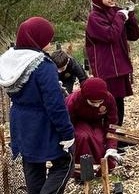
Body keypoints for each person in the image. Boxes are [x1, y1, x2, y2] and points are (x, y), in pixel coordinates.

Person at [0, 16, 75, 194]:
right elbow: (54, 103)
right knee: (65, 162)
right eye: (47, 38)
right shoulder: (42, 65)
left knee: (33, 165)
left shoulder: (10, 62)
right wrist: (67, 133)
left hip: (20, 121)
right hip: (42, 122)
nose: (49, 43)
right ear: (37, 39)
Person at [85, 0, 139, 127]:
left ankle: (118, 137)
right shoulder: (94, 18)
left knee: (119, 102)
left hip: (120, 67)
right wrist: (121, 17)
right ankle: (106, 139)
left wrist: (131, 16)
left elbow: (134, 35)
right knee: (106, 105)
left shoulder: (115, 12)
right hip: (106, 69)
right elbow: (110, 35)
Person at [65, 77, 121, 178]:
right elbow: (67, 122)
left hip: (97, 123)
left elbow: (112, 123)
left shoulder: (109, 99)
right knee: (83, 137)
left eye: (99, 102)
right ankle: (82, 173)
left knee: (99, 139)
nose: (97, 105)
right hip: (77, 123)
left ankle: (102, 170)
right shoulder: (74, 100)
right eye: (93, 102)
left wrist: (111, 147)